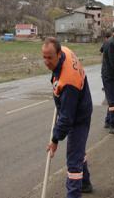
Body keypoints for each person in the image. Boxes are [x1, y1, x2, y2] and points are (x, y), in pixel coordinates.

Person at [42, 37, 93, 198]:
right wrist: (58, 96)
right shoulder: (64, 50)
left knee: (73, 161)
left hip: (79, 115)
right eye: (44, 56)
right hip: (78, 104)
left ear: (58, 54)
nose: (46, 61)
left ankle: (74, 194)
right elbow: (58, 79)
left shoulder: (69, 83)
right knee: (78, 151)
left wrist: (55, 140)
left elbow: (66, 119)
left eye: (49, 57)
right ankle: (85, 184)